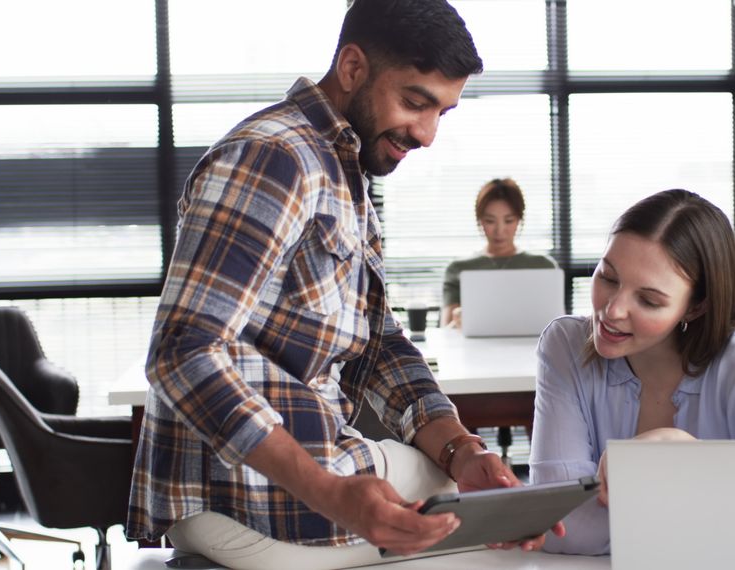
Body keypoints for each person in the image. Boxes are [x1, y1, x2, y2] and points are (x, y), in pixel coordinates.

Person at [126, 2, 560, 569]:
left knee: (492, 507)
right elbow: (181, 351)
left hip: (306, 477)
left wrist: (460, 448)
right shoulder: (274, 158)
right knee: (492, 545)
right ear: (353, 68)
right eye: (414, 102)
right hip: (241, 501)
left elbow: (374, 344)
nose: (427, 134)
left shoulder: (342, 170)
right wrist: (331, 493)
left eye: (442, 113)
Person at [528, 189, 735, 556]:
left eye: (648, 300)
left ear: (697, 307)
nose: (612, 310)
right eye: (608, 277)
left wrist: (691, 460)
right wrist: (725, 513)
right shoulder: (566, 345)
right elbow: (563, 528)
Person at [441, 177, 557, 328]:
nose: (499, 231)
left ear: (519, 220)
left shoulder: (543, 266)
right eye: (490, 221)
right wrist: (458, 322)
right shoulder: (457, 268)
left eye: (508, 220)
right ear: (480, 220)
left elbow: (557, 326)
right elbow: (446, 330)